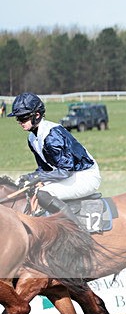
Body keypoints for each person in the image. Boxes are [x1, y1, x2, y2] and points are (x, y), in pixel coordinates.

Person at [8, 92, 101, 223]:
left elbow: (65, 170)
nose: (20, 122)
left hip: (84, 176)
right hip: (70, 174)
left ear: (37, 115)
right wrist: (29, 177)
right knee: (32, 189)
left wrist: (37, 178)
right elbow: (44, 169)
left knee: (43, 194)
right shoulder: (32, 138)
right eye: (18, 119)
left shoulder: (52, 136)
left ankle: (78, 231)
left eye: (23, 118)